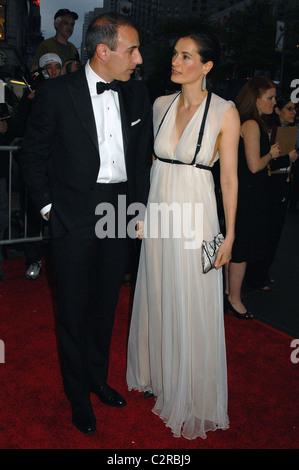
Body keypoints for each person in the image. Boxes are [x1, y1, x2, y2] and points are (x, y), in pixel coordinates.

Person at [18, 13, 152, 435]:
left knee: (104, 306)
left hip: (117, 214)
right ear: (103, 50)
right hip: (73, 216)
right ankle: (78, 395)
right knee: (73, 310)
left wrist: (138, 210)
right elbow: (31, 156)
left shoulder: (136, 94)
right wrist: (47, 210)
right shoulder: (56, 94)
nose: (139, 58)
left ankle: (97, 378)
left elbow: (139, 163)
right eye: (132, 49)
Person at [126, 31, 240, 440]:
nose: (175, 61)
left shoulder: (225, 111)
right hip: (159, 209)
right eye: (175, 54)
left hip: (196, 213)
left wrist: (228, 237)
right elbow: (150, 163)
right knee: (157, 289)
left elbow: (228, 179)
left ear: (206, 66)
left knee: (190, 296)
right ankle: (158, 374)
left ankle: (191, 389)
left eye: (186, 56)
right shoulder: (160, 104)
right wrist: (141, 213)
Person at [225, 76, 283, 316]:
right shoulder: (251, 124)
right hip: (248, 196)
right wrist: (272, 154)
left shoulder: (248, 122)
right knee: (242, 249)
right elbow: (253, 165)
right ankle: (235, 299)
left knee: (236, 246)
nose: (274, 102)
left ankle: (229, 295)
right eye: (269, 98)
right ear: (256, 99)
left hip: (244, 194)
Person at [14, 53, 63, 280]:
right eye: (49, 67)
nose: (53, 71)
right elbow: (18, 129)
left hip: (61, 170)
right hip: (38, 169)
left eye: (57, 67)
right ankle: (34, 260)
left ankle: (60, 262)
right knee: (35, 215)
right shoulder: (31, 96)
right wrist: (29, 103)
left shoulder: (69, 93)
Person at [245, 93, 298, 289]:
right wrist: (288, 158)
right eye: (289, 108)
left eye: (294, 109)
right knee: (265, 234)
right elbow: (267, 161)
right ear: (278, 111)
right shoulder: (266, 130)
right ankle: (256, 276)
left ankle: (262, 273)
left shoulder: (289, 130)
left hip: (283, 185)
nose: (293, 112)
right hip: (269, 188)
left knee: (273, 234)